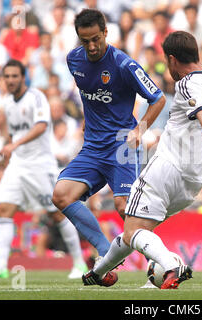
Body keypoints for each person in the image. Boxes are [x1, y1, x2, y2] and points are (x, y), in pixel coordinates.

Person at [81, 31, 202, 289]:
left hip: (167, 167)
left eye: (167, 62)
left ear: (173, 59)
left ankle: (171, 264)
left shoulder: (186, 84)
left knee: (134, 231)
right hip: (195, 179)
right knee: (138, 229)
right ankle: (98, 272)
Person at [51, 9, 166, 271]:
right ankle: (106, 253)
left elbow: (157, 98)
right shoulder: (73, 60)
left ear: (105, 32)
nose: (91, 46)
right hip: (92, 146)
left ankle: (159, 264)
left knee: (123, 206)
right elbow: (93, 96)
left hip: (120, 146)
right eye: (85, 41)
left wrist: (140, 129)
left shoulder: (125, 65)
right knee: (61, 196)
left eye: (96, 39)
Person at [0, 59, 87, 279]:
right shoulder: (7, 103)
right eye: (7, 76)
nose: (11, 80)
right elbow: (13, 134)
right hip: (17, 165)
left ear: (23, 77)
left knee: (57, 214)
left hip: (40, 166)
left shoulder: (36, 97)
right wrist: (8, 146)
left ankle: (79, 264)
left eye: (15, 76)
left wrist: (15, 144)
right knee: (4, 209)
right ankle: (0, 266)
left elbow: (41, 126)